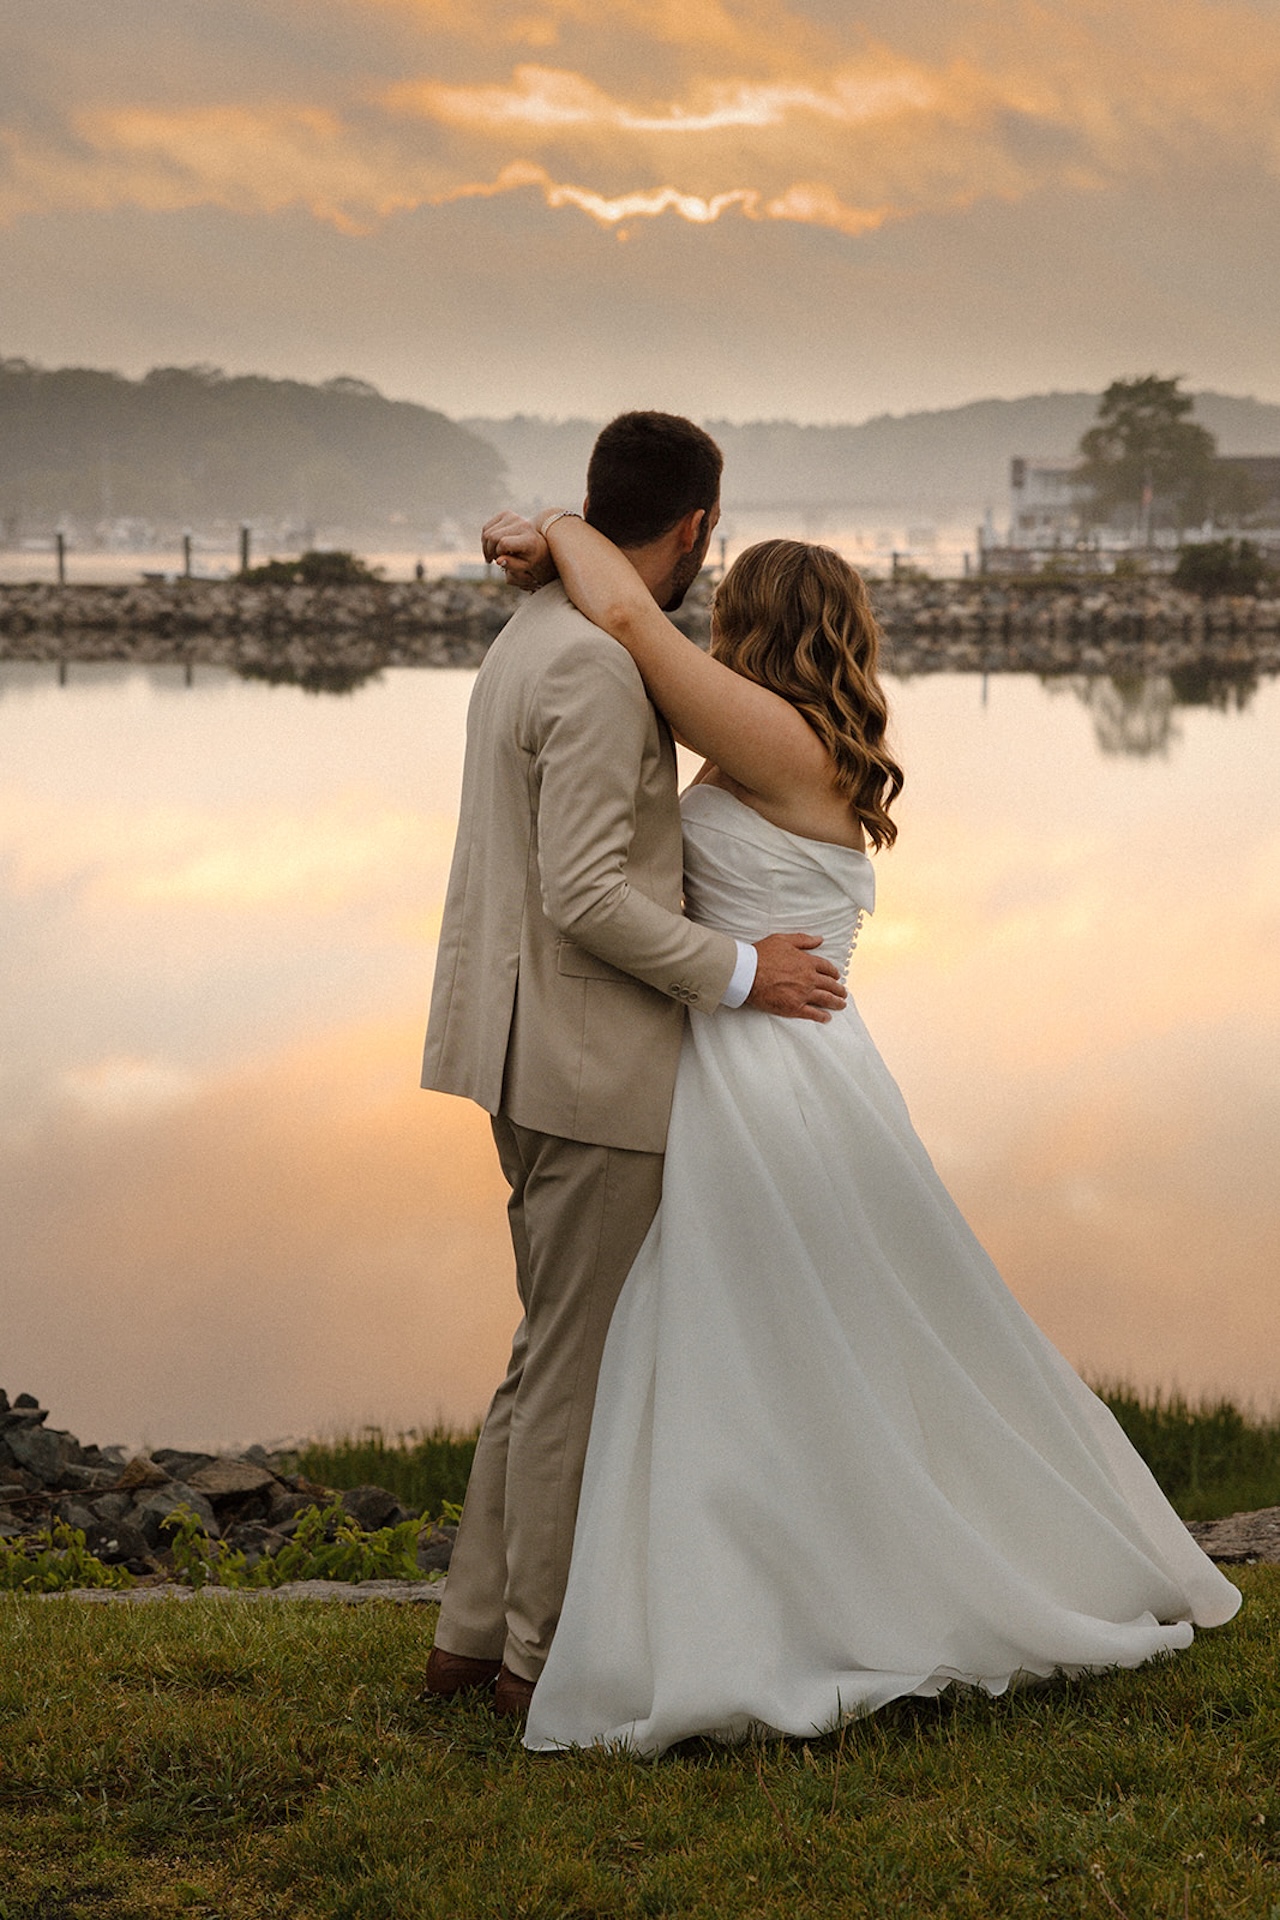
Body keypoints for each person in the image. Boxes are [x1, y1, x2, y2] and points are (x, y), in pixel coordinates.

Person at [482, 511, 1241, 1757]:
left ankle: (805, 1590)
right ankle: (763, 1572)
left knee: (759, 1329)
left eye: (726, 614)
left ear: (753, 629)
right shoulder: (793, 740)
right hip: (761, 1054)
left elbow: (624, 618)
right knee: (789, 1335)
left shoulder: (770, 737)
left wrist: (557, 528)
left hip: (774, 1070)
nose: (706, 630)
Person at [420, 414, 846, 1718]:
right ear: (696, 527)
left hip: (517, 1043)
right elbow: (591, 896)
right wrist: (739, 973)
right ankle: (536, 1662)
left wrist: (544, 530)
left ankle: (469, 1633)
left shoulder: (533, 633)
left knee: (544, 1350)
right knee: (575, 1369)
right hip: (591, 1064)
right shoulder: (606, 673)